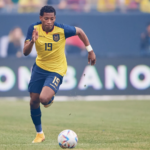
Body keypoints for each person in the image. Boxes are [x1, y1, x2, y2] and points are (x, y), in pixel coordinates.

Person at [23, 5, 96, 143]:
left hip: (56, 69)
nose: (49, 21)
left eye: (51, 19)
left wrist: (90, 50)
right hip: (39, 68)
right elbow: (25, 52)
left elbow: (79, 32)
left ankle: (49, 97)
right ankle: (40, 134)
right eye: (46, 19)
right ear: (41, 18)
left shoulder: (62, 29)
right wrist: (32, 41)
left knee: (43, 99)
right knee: (33, 101)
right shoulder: (33, 29)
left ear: (55, 18)